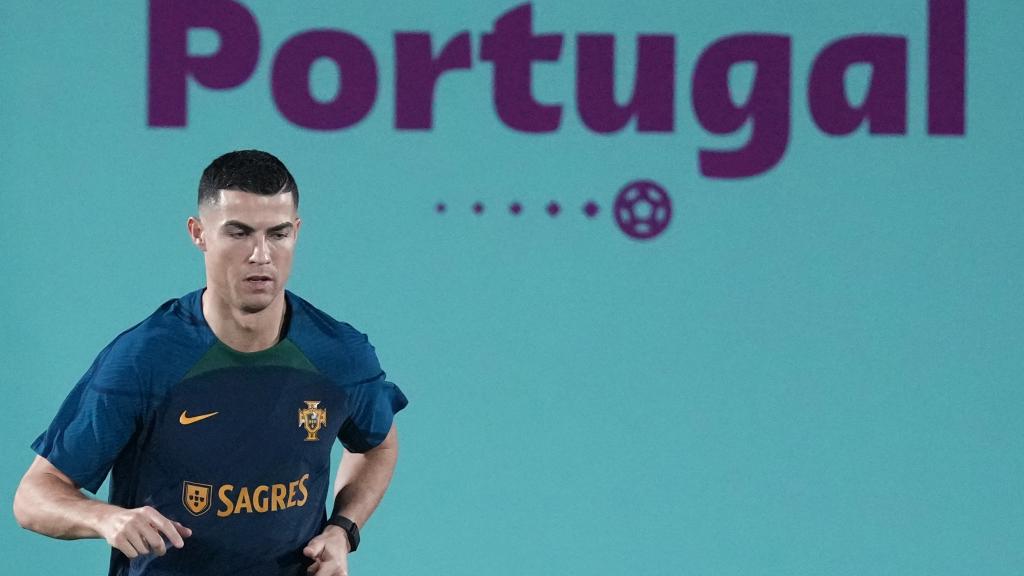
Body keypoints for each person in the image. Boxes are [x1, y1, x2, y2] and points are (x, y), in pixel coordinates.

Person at [13, 150, 408, 576]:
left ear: (297, 232)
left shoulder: (339, 354)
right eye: (239, 233)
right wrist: (105, 518)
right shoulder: (144, 360)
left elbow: (378, 446)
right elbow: (34, 496)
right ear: (198, 233)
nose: (261, 254)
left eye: (278, 234)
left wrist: (342, 530)